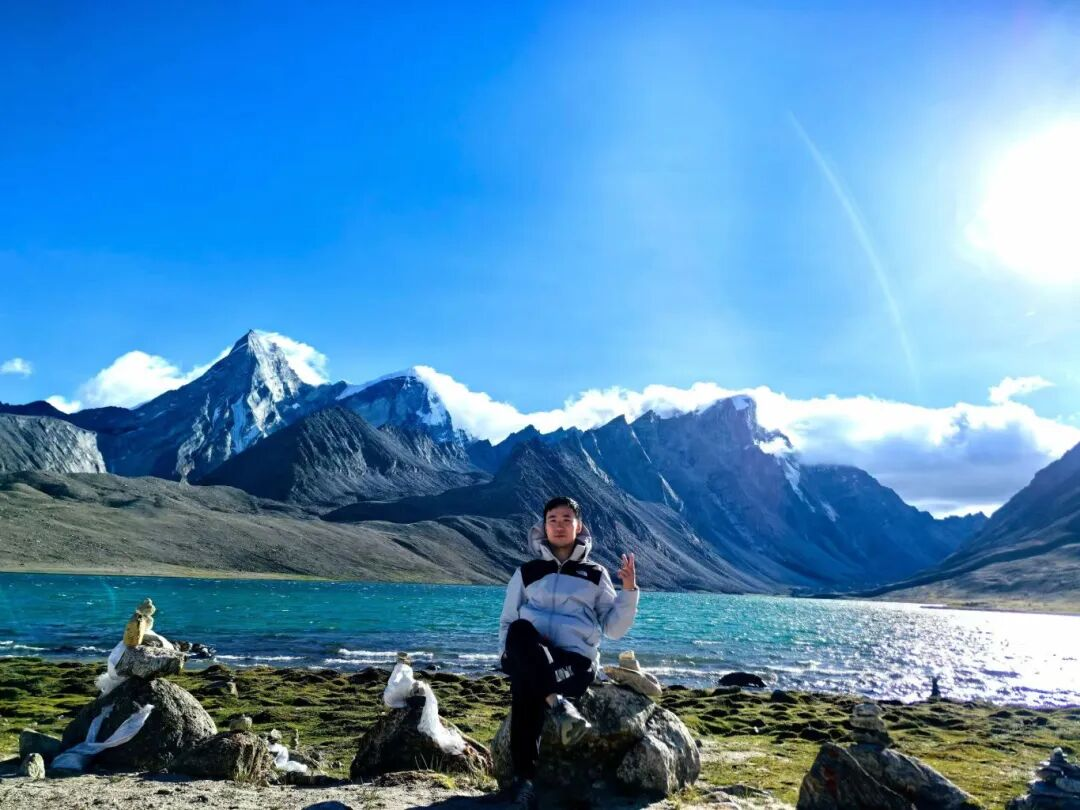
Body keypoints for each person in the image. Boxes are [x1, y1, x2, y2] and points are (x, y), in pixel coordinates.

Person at [498, 496, 639, 808]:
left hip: (574, 664)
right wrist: (506, 656)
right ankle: (557, 705)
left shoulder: (595, 574)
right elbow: (508, 620)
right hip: (537, 655)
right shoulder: (527, 572)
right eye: (552, 520)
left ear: (579, 527)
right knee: (519, 630)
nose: (559, 526)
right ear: (543, 526)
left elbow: (613, 629)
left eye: (566, 519)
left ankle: (524, 783)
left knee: (525, 685)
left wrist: (629, 591)